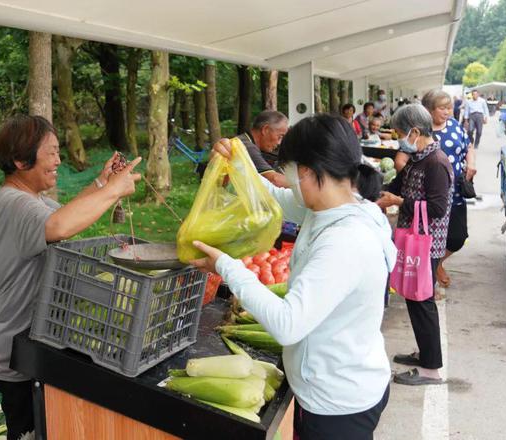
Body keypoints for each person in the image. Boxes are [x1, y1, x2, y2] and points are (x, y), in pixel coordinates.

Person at [195, 114, 396, 439]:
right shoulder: (338, 206)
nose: (285, 178)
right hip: (346, 381)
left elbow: (288, 325)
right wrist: (237, 164)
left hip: (337, 404)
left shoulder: (344, 240)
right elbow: (273, 198)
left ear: (306, 171)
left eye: (288, 170)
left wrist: (227, 266)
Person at [0, 115, 141, 440]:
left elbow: (65, 213)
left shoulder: (31, 198)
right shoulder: (14, 204)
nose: (59, 161)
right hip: (18, 356)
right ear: (20, 160)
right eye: (52, 152)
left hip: (32, 346)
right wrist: (112, 192)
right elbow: (59, 226)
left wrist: (101, 183)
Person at [376, 104, 453, 386]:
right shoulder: (419, 158)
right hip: (413, 241)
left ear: (415, 132)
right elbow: (399, 183)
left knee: (422, 300)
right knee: (414, 296)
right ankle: (426, 354)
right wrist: (376, 197)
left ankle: (430, 370)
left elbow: (437, 207)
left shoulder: (436, 163)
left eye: (400, 133)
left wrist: (398, 203)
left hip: (426, 245)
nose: (399, 139)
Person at [393, 90, 476, 288]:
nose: (448, 111)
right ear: (428, 111)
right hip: (430, 196)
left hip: (453, 193)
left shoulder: (455, 127)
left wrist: (470, 164)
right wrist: (416, 180)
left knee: (457, 237)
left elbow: (468, 146)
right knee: (427, 245)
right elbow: (402, 160)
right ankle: (430, 271)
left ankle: (435, 264)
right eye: (443, 108)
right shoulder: (421, 135)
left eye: (449, 107)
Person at [237, 110, 289, 187]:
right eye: (280, 136)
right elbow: (274, 180)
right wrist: (305, 184)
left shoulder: (244, 140)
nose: (279, 143)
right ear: (266, 130)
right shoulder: (247, 147)